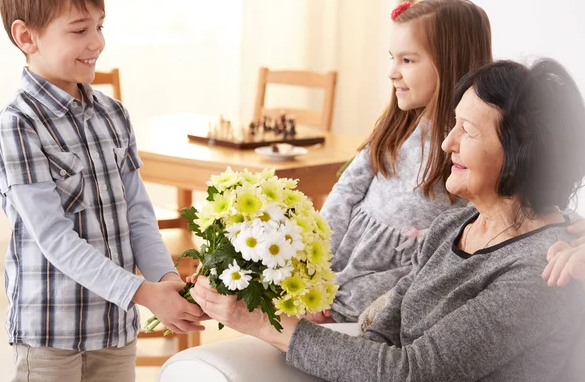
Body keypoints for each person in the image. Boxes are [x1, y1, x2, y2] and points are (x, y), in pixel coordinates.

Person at [191, 58, 585, 381]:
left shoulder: (544, 267)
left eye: (466, 130)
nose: (447, 144)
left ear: (522, 152)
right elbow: (379, 337)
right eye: (452, 126)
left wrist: (263, 324)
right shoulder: (452, 228)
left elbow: (414, 373)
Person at [0, 0, 206, 380]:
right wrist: (144, 294)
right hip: (50, 336)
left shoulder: (113, 114)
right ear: (26, 36)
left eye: (100, 26)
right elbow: (54, 238)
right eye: (79, 30)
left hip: (115, 329)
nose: (98, 42)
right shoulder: (17, 126)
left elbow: (138, 214)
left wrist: (167, 281)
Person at [315, 0, 493, 323]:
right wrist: (315, 273)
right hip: (336, 267)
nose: (392, 73)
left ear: (451, 61)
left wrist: (338, 304)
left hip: (379, 291)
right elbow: (345, 193)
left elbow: (427, 264)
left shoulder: (471, 147)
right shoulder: (398, 124)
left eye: (408, 60)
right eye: (392, 59)